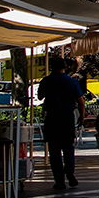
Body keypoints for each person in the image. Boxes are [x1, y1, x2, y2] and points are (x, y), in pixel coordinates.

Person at [38, 57, 84, 190]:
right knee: (68, 147)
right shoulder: (72, 82)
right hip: (67, 118)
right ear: (64, 66)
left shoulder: (47, 80)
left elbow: (40, 97)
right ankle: (70, 173)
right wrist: (81, 117)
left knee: (54, 150)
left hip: (52, 118)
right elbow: (81, 101)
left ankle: (59, 180)